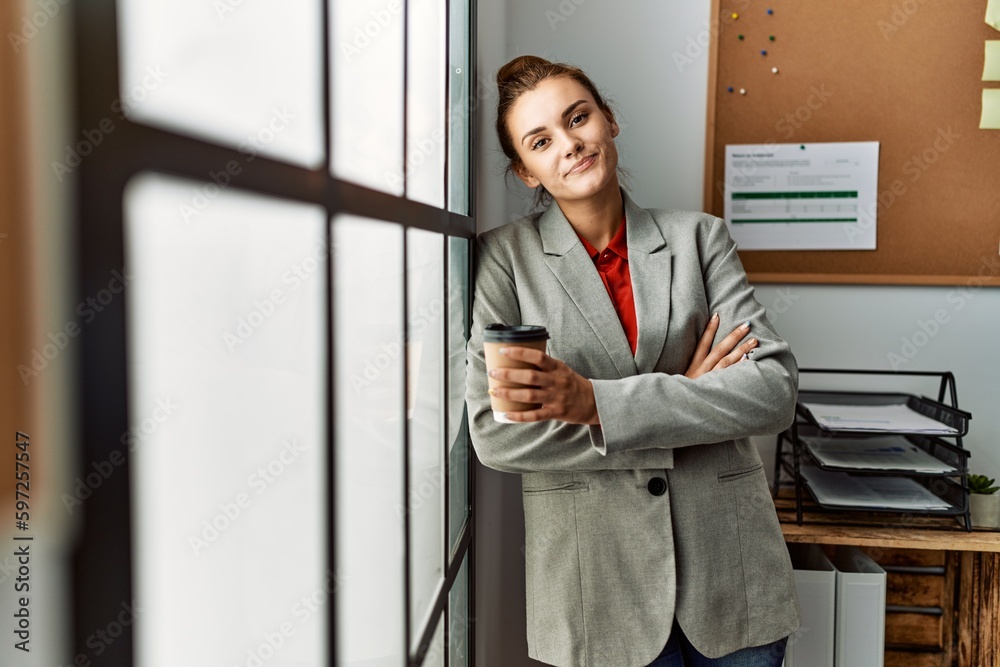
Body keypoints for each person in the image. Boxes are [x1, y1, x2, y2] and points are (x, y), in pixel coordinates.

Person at [465, 55, 801, 667]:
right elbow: (497, 436)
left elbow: (773, 391)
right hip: (596, 594)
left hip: (732, 581)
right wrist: (687, 393)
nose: (569, 144)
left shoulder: (701, 240)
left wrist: (595, 406)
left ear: (609, 121)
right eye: (542, 141)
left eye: (578, 118)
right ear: (526, 171)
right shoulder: (502, 262)